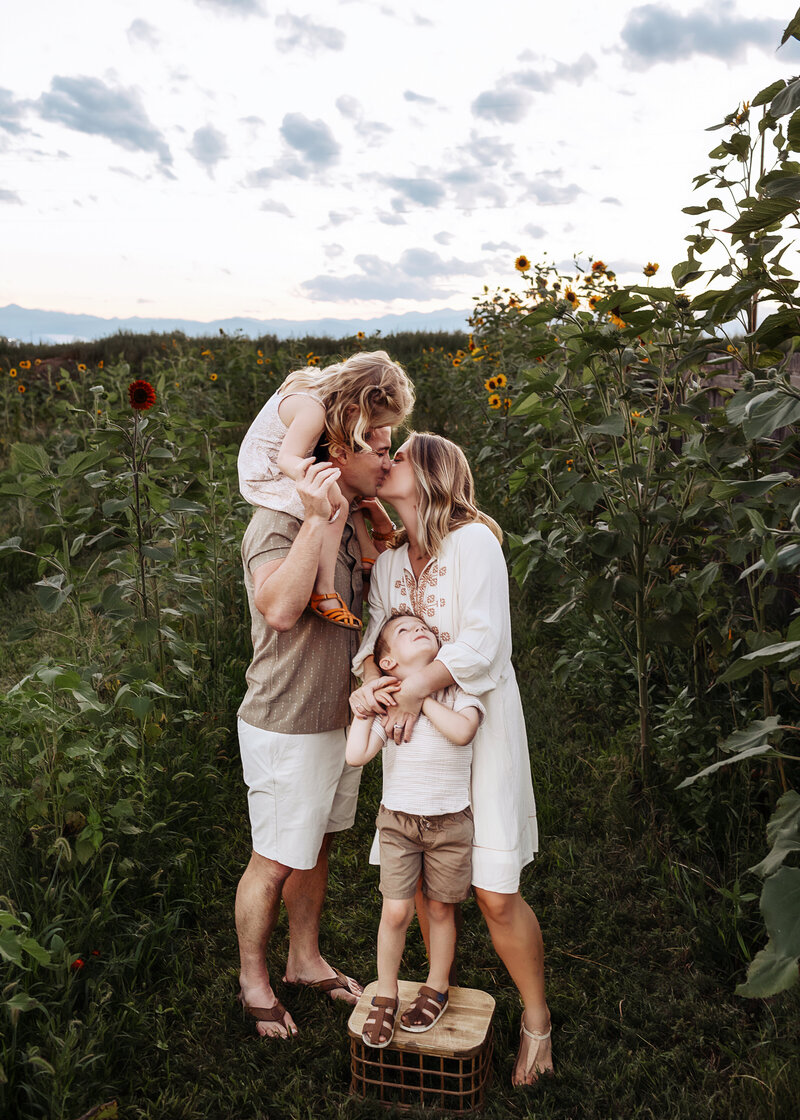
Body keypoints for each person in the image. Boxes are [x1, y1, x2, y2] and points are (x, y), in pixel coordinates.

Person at [350, 432, 554, 1085]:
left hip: (478, 725)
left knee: (495, 895)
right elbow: (371, 644)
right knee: (418, 890)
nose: (386, 461)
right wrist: (374, 687)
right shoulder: (386, 564)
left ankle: (537, 1025)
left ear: (433, 473)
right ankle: (433, 982)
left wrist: (414, 687)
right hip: (417, 752)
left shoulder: (474, 543)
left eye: (400, 454)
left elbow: (487, 644)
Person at [235, 422, 400, 1040]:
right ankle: (254, 980)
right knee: (274, 859)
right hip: (288, 720)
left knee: (319, 842)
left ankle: (303, 960)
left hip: (340, 715)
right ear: (337, 454)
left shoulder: (356, 515)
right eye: (377, 450)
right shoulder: (277, 522)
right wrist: (314, 515)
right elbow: (278, 610)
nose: (387, 459)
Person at [345, 614, 485, 1048]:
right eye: (405, 632)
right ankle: (385, 993)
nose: (419, 630)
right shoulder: (386, 699)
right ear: (386, 662)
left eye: (424, 627)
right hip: (399, 824)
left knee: (441, 910)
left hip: (449, 823)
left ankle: (436, 986)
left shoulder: (459, 688)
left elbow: (463, 732)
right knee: (396, 912)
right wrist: (365, 706)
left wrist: (419, 697)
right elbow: (355, 756)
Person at [237, 351, 414, 629]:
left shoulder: (321, 395)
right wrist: (319, 486)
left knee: (342, 495)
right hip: (267, 473)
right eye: (374, 425)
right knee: (337, 504)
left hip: (280, 463)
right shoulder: (313, 409)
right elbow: (286, 459)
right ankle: (324, 590)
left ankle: (366, 550)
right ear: (357, 409)